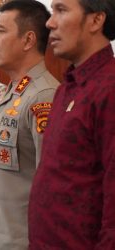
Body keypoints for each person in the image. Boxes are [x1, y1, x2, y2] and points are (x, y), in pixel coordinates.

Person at [29, 0, 115, 249]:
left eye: (61, 10)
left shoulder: (109, 88)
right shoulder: (68, 86)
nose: (49, 22)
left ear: (96, 20)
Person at [0, 1, 60, 249]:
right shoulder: (13, 91)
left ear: (28, 40)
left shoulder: (44, 96)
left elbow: (52, 190)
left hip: (22, 241)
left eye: (1, 31)